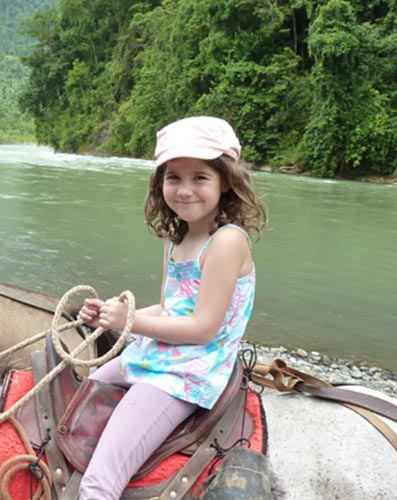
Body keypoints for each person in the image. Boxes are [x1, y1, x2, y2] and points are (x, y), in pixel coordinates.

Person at [76, 116, 267, 499]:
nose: (184, 190)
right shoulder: (177, 239)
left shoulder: (227, 242)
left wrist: (129, 323)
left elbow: (202, 328)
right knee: (82, 395)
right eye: (173, 177)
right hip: (158, 354)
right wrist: (112, 317)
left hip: (188, 371)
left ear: (225, 181)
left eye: (200, 177)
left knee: (99, 482)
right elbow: (169, 307)